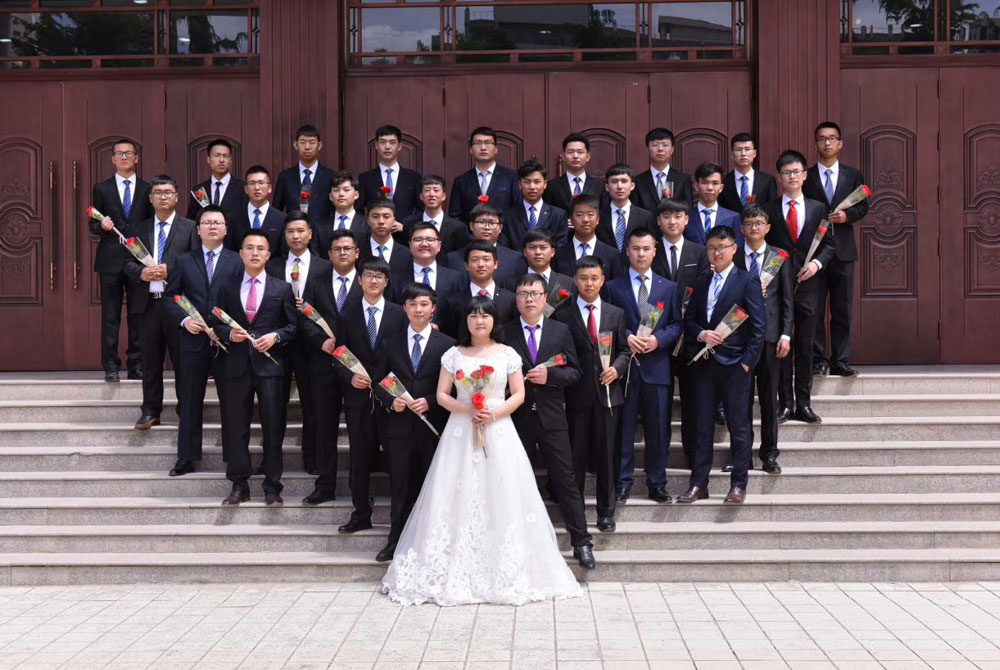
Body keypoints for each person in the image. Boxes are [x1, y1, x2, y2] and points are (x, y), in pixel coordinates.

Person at [382, 296, 583, 606]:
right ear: (466, 321)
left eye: (485, 316)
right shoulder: (453, 354)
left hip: (498, 428)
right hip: (460, 431)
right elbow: (441, 395)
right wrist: (467, 408)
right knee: (454, 492)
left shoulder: (507, 354)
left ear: (494, 322)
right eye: (473, 316)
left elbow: (518, 394)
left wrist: (492, 413)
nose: (479, 321)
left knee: (502, 492)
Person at [505, 273, 595, 569]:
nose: (529, 299)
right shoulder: (504, 333)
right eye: (522, 294)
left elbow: (575, 371)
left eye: (534, 293)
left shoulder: (560, 330)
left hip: (552, 417)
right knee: (515, 482)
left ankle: (581, 542)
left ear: (545, 298)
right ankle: (516, 544)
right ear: (516, 299)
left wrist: (550, 377)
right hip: (515, 419)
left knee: (566, 481)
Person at [678, 226, 765, 505]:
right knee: (702, 426)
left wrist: (747, 364)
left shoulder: (746, 281)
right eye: (712, 248)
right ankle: (698, 484)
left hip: (735, 366)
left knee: (739, 427)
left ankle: (739, 484)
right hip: (704, 365)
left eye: (722, 248)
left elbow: (759, 328)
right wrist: (701, 333)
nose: (716, 253)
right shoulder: (701, 281)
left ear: (734, 249)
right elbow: (689, 320)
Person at [211, 229, 298, 506]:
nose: (255, 253)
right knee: (236, 427)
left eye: (260, 248)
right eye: (249, 248)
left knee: (273, 427)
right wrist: (227, 334)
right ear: (241, 253)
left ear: (268, 254)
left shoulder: (281, 288)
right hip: (236, 365)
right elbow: (215, 320)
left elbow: (293, 326)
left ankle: (272, 486)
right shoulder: (226, 284)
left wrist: (276, 337)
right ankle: (239, 484)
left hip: (270, 368)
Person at [372, 283, 455, 562]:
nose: (418, 309)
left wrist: (431, 400)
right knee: (401, 486)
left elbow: (455, 388)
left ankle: (432, 543)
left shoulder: (448, 345)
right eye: (412, 304)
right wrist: (390, 400)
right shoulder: (389, 341)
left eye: (424, 304)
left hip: (435, 426)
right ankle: (395, 541)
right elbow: (379, 380)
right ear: (405, 308)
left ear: (433, 309)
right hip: (400, 428)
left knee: (434, 487)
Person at [552, 257, 630, 532]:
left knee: (607, 457)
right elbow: (559, 356)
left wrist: (618, 369)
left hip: (608, 396)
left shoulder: (615, 313)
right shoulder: (563, 314)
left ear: (602, 280)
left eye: (594, 278)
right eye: (583, 278)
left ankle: (606, 513)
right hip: (575, 397)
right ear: (574, 280)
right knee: (575, 457)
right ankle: (576, 515)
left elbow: (624, 350)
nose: (589, 283)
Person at [604, 228, 682, 503]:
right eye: (635, 248)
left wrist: (658, 341)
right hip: (624, 371)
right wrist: (626, 337)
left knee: (658, 429)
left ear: (654, 252)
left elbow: (676, 324)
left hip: (657, 367)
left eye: (646, 248)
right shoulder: (613, 287)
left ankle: (657, 483)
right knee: (624, 429)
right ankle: (623, 482)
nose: (640, 253)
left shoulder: (668, 287)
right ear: (628, 252)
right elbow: (607, 323)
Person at [164, 205, 243, 476]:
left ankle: (234, 456)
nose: (212, 226)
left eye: (217, 222)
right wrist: (185, 321)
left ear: (225, 229)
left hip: (227, 343)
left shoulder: (238, 260)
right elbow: (171, 296)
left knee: (231, 401)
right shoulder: (184, 260)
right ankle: (186, 457)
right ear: (197, 230)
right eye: (206, 222)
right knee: (189, 399)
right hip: (193, 341)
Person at [335, 257, 407, 534]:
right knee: (360, 457)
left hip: (391, 400)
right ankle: (360, 512)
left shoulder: (399, 313)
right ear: (359, 280)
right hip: (358, 399)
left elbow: (402, 355)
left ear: (387, 282)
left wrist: (388, 385)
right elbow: (340, 355)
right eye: (369, 275)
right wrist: (350, 376)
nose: (374, 280)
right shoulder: (347, 313)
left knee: (396, 459)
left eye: (379, 276)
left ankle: (399, 518)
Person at [124, 175, 199, 430]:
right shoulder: (138, 228)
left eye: (168, 192)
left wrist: (172, 270)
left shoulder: (190, 227)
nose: (163, 196)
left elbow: (197, 264)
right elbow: (126, 263)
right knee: (150, 361)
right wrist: (141, 273)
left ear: (177, 197)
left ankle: (185, 410)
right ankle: (150, 410)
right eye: (158, 192)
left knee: (182, 361)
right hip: (148, 305)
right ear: (150, 198)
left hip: (178, 306)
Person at [765, 150, 833, 424]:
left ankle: (803, 403)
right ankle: (785, 404)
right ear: (779, 177)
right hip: (777, 286)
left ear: (805, 175)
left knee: (805, 344)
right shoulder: (768, 208)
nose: (792, 176)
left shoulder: (818, 208)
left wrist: (816, 264)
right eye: (786, 172)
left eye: (796, 172)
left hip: (808, 284)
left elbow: (828, 245)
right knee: (782, 344)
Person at [265, 211, 332, 475]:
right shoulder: (272, 265)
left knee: (312, 403)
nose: (296, 236)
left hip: (312, 345)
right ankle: (270, 459)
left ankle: (312, 456)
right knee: (273, 405)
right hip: (279, 341)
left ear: (310, 234)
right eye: (291, 231)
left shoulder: (324, 266)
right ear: (285, 234)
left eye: (301, 231)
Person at [298, 229, 362, 506]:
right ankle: (325, 485)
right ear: (329, 254)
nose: (343, 253)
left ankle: (360, 487)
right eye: (337, 249)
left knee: (360, 431)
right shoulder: (316, 280)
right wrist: (320, 340)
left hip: (358, 369)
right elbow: (304, 319)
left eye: (348, 248)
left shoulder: (367, 280)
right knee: (324, 427)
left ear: (357, 253)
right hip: (323, 367)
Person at [803, 121, 869, 378]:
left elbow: (864, 207)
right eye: (822, 138)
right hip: (815, 252)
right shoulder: (806, 176)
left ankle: (840, 360)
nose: (827, 143)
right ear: (815, 144)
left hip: (843, 251)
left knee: (842, 308)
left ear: (840, 144)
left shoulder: (853, 175)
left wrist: (848, 215)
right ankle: (818, 360)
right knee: (815, 309)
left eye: (832, 138)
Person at [651, 198, 711, 465]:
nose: (672, 221)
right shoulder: (649, 250)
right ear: (658, 221)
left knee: (693, 402)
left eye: (678, 216)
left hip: (690, 339)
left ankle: (693, 455)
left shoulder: (699, 252)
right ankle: (659, 456)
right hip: (658, 337)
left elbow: (703, 292)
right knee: (659, 405)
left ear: (687, 220)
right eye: (667, 216)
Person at [735, 204, 792, 474]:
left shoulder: (779, 257)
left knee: (769, 399)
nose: (754, 227)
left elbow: (787, 300)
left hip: (770, 339)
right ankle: (742, 456)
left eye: (759, 223)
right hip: (740, 338)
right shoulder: (733, 256)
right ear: (742, 228)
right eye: (749, 223)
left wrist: (785, 334)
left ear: (768, 228)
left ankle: (769, 454)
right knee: (741, 400)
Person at [90, 138, 152, 382]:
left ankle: (136, 364)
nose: (124, 157)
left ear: (136, 158)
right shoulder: (102, 188)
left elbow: (150, 224)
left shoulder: (148, 189)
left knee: (137, 314)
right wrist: (102, 226)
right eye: (120, 153)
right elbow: (92, 224)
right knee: (111, 314)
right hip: (110, 261)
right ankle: (111, 365)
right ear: (112, 159)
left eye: (129, 153)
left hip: (138, 260)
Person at [439, 239, 518, 338]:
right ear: (466, 265)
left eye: (486, 259)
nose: (481, 265)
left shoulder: (511, 300)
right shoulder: (454, 302)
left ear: (496, 264)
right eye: (475, 260)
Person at [448, 127, 520, 222]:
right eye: (478, 143)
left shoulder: (511, 177)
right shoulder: (461, 181)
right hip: (471, 236)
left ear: (496, 149)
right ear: (470, 149)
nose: (483, 148)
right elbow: (455, 217)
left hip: (503, 235)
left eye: (488, 143)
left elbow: (517, 211)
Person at [444, 201, 525, 286]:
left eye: (492, 223)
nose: (487, 227)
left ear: (500, 228)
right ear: (471, 226)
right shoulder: (453, 258)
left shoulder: (515, 259)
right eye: (482, 222)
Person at [389, 221, 464, 313]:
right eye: (418, 240)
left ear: (439, 245)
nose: (424, 244)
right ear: (410, 245)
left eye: (430, 239)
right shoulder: (395, 278)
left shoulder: (456, 278)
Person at [500, 159, 568, 250]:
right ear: (520, 184)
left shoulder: (558, 215)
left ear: (545, 184)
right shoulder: (508, 216)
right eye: (527, 182)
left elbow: (560, 247)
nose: (532, 187)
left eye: (537, 182)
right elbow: (505, 249)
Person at [357, 124, 422, 220]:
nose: (387, 147)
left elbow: (421, 209)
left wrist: (406, 225)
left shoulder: (413, 178)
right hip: (374, 233)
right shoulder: (365, 178)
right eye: (383, 142)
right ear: (376, 145)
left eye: (392, 142)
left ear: (399, 146)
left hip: (406, 233)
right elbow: (358, 211)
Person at [273, 124, 333, 223]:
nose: (307, 147)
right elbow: (276, 210)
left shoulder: (330, 176)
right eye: (303, 142)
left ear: (320, 145)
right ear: (295, 145)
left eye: (312, 143)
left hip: (321, 235)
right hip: (293, 234)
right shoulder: (285, 177)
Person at [553, 194, 622, 280]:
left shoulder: (612, 255)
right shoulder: (558, 254)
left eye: (590, 214)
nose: (585, 219)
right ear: (571, 220)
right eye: (579, 215)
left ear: (597, 219)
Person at [400, 175, 470, 257]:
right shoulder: (408, 224)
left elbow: (461, 258)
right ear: (421, 196)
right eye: (427, 190)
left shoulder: (458, 227)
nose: (431, 194)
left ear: (443, 196)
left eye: (436, 190)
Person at [597, 163, 655, 253]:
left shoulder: (645, 217)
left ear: (632, 186)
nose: (619, 186)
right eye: (614, 181)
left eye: (624, 181)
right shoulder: (599, 216)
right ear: (607, 187)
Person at [227, 166, 287, 254]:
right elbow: (230, 250)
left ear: (269, 188)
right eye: (252, 183)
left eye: (261, 183)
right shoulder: (233, 217)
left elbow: (283, 253)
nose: (257, 187)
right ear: (246, 189)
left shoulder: (282, 219)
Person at [186, 138, 245, 224]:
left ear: (230, 161)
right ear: (209, 160)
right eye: (217, 155)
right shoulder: (199, 190)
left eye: (225, 156)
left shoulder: (243, 189)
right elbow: (191, 222)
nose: (221, 160)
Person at [543, 133, 607, 212]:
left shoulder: (600, 186)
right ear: (563, 157)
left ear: (588, 157)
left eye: (580, 152)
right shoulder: (551, 186)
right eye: (570, 152)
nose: (575, 156)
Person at [632, 128, 693, 210]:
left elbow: (687, 209)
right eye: (655, 145)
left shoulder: (683, 179)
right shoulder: (639, 180)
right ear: (647, 150)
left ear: (672, 150)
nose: (660, 149)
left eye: (665, 145)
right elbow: (636, 211)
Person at [685, 162, 743, 247]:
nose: (710, 188)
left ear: (721, 188)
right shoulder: (686, 217)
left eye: (715, 183)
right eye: (705, 182)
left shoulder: (733, 218)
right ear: (696, 186)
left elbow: (738, 249)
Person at [312, 171, 370, 255]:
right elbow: (316, 258)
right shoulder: (320, 226)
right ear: (331, 196)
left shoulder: (367, 225)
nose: (341, 194)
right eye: (336, 190)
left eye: (346, 190)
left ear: (356, 195)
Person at [502, 229, 573, 296]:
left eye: (543, 247)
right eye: (532, 247)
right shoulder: (509, 284)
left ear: (552, 252)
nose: (538, 252)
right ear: (525, 252)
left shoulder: (567, 283)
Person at [720, 132, 779, 213]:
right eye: (738, 150)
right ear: (732, 155)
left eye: (747, 149)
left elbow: (773, 210)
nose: (743, 154)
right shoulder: (724, 181)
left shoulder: (768, 180)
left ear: (754, 153)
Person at [358, 199, 413, 276]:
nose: (381, 221)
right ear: (368, 220)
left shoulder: (408, 254)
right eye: (375, 216)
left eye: (386, 216)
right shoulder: (358, 252)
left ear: (394, 220)